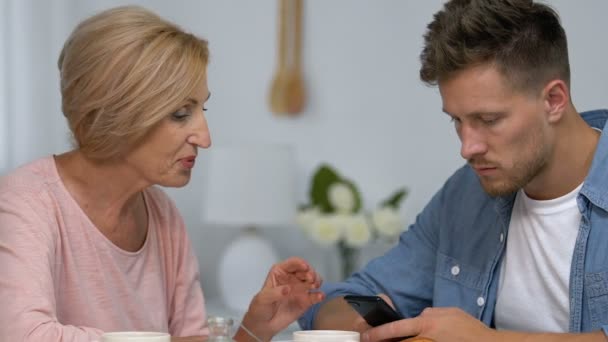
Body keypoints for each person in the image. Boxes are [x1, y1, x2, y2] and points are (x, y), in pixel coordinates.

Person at [0, 6, 324, 342]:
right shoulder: (25, 202)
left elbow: (190, 340)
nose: (205, 137)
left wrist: (253, 330)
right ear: (116, 115)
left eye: (202, 109)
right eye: (181, 113)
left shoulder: (163, 215)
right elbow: (23, 335)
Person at [299, 0, 608, 341]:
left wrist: (486, 340)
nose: (467, 148)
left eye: (488, 120)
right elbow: (350, 296)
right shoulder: (468, 192)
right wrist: (351, 320)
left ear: (553, 100)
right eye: (457, 121)